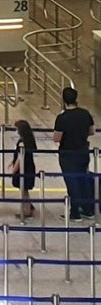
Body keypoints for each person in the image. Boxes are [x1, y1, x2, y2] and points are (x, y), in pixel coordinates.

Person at [53, 87, 95, 219]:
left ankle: (75, 212)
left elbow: (57, 138)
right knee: (83, 179)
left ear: (64, 100)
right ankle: (88, 209)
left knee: (72, 182)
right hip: (83, 151)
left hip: (68, 153)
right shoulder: (85, 113)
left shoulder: (62, 118)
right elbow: (92, 131)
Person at [8, 120, 38, 221]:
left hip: (23, 168)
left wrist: (14, 170)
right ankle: (28, 206)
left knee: (23, 189)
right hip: (29, 166)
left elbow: (20, 158)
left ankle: (27, 210)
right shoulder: (29, 139)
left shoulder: (22, 143)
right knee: (24, 188)